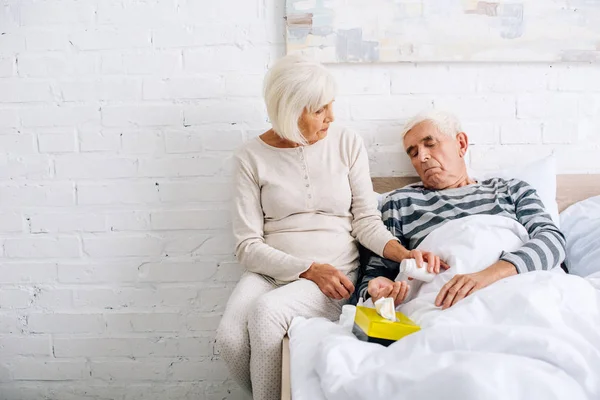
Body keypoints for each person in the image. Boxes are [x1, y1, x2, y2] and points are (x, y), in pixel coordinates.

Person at [215, 55, 441, 399]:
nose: (331, 117)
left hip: (334, 276)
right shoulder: (250, 157)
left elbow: (367, 221)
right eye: (319, 110)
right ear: (291, 111)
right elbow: (247, 246)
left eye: (330, 106)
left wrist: (403, 251)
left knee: (266, 313)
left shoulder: (346, 142)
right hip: (269, 272)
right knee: (229, 339)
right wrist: (307, 268)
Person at [353, 110, 566, 310]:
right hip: (444, 303)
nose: (422, 157)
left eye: (430, 144)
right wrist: (376, 292)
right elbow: (375, 275)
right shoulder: (401, 203)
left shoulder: (511, 190)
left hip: (520, 292)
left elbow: (553, 241)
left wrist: (487, 276)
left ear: (461, 144)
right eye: (414, 153)